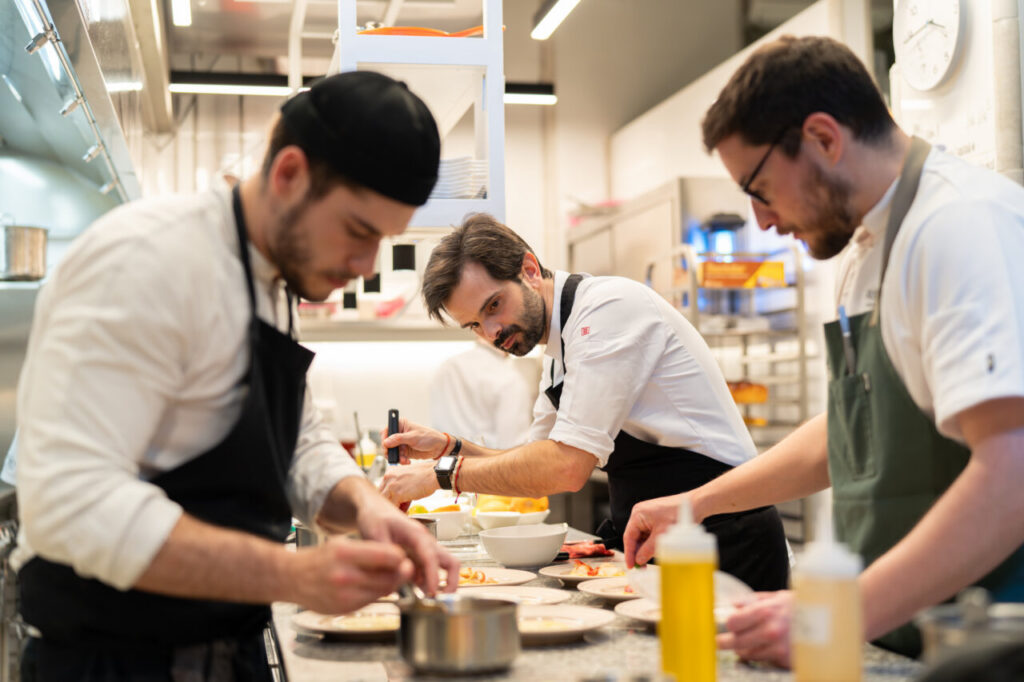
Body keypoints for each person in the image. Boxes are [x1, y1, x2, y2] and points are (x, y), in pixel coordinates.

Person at [13, 71, 459, 680]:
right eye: (359, 231)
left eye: (384, 239)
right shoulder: (148, 262)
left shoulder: (274, 280)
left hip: (226, 650)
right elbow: (68, 501)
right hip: (116, 659)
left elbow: (297, 442)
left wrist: (366, 509)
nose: (364, 265)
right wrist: (291, 575)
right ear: (289, 174)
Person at [623, 35, 1024, 665]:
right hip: (898, 641)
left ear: (823, 138)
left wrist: (839, 610)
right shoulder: (867, 248)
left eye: (758, 187)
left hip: (987, 650)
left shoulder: (959, 227)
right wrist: (696, 503)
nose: (760, 220)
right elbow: (846, 433)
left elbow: (1013, 471)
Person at [378, 214, 790, 592]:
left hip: (726, 542)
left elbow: (564, 468)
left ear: (529, 270)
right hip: (665, 541)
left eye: (493, 306)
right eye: (474, 325)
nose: (491, 332)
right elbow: (531, 464)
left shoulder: (607, 312)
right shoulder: (559, 349)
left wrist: (442, 474)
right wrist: (451, 446)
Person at [430, 336, 538, 449]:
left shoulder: (447, 367)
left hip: (444, 462)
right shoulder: (509, 378)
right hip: (488, 464)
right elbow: (514, 446)